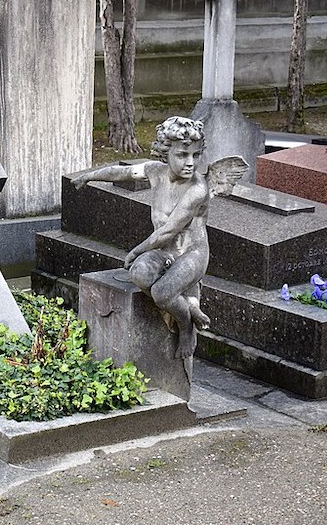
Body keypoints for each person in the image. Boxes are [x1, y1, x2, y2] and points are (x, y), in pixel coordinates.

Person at [73, 116, 222, 359]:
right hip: (165, 251)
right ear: (165, 152)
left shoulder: (197, 190)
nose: (190, 163)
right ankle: (189, 299)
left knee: (162, 293)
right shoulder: (155, 171)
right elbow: (122, 173)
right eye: (182, 155)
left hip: (191, 253)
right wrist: (90, 176)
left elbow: (168, 231)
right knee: (139, 275)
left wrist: (136, 251)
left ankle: (186, 327)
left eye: (195, 156)